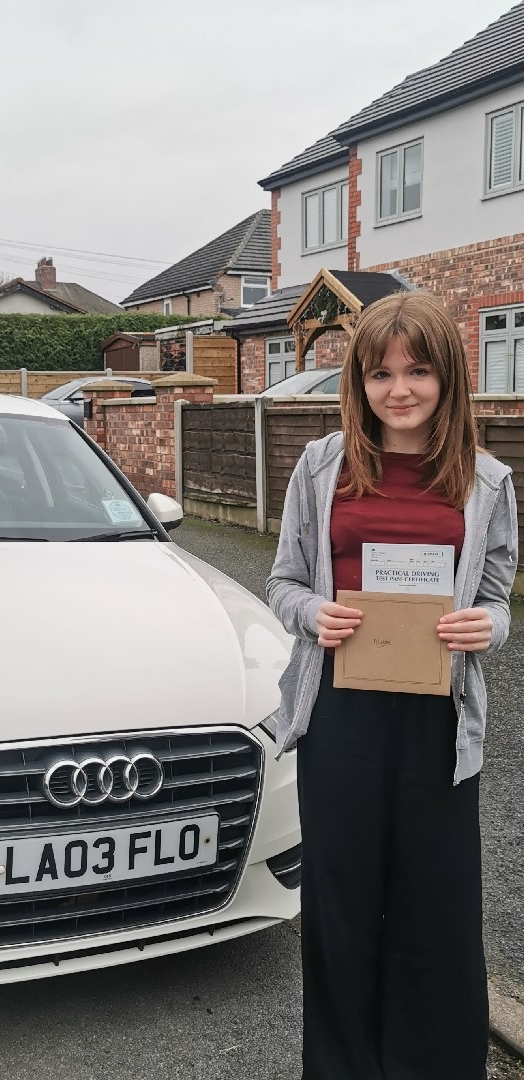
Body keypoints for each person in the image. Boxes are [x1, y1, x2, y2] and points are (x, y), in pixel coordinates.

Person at [266, 290, 518, 1080]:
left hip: (438, 723)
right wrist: (314, 615)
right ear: (358, 382)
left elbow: (497, 595)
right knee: (341, 905)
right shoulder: (319, 467)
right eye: (379, 373)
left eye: (417, 371)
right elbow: (283, 583)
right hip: (341, 713)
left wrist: (489, 627)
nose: (398, 389)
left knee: (435, 909)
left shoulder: (486, 481)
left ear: (447, 376)